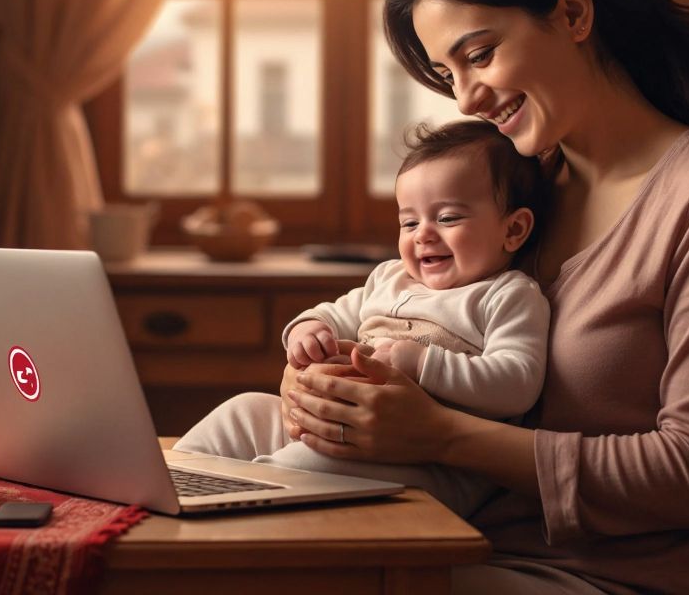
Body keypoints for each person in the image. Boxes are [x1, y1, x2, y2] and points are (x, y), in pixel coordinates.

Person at [277, 0, 689, 595]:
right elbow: (413, 330)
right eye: (448, 74)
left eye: (480, 54)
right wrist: (317, 386)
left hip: (609, 580)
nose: (466, 98)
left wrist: (440, 437)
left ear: (572, 13)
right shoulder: (516, 196)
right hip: (449, 545)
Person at [175, 119, 553, 517]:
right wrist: (309, 330)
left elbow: (518, 382)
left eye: (447, 218)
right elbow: (332, 313)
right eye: (409, 222)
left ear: (514, 229)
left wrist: (422, 363)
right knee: (245, 409)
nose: (422, 234)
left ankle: (237, 516)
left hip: (434, 467)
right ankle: (176, 483)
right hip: (341, 427)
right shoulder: (389, 278)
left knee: (305, 466)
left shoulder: (508, 295)